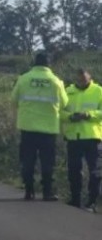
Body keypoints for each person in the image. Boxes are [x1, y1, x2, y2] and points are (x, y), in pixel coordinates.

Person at [11, 53, 69, 201]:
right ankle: (47, 192)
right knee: (48, 162)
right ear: (49, 64)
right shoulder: (56, 82)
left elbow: (14, 100)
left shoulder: (23, 79)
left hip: (28, 128)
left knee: (27, 161)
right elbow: (65, 104)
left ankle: (29, 191)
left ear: (34, 63)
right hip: (48, 129)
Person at [62, 68, 102, 211]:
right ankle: (75, 199)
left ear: (90, 77)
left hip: (93, 137)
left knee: (95, 171)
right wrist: (70, 117)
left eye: (84, 79)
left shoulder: (98, 91)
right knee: (74, 170)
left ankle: (91, 202)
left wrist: (88, 115)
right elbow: (60, 112)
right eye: (79, 79)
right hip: (74, 137)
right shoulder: (68, 91)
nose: (81, 81)